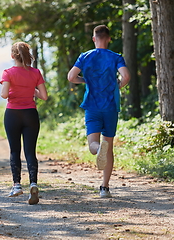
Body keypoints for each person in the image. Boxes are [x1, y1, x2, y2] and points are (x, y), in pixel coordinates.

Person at [67, 25, 130, 198]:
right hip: (110, 107)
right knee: (109, 147)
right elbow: (126, 76)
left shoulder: (84, 56)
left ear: (94, 38)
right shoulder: (116, 57)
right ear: (109, 38)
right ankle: (104, 188)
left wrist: (85, 80)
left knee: (93, 145)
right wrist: (116, 86)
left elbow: (71, 77)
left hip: (92, 106)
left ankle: (98, 147)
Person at [0, 41, 48, 205]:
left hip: (13, 114)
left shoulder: (8, 72)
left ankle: (17, 185)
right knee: (30, 151)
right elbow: (43, 96)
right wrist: (30, 89)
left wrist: (14, 88)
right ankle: (33, 184)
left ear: (13, 56)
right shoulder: (36, 72)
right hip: (30, 114)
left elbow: (4, 94)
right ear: (28, 56)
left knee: (15, 150)